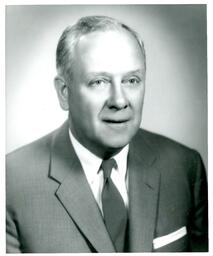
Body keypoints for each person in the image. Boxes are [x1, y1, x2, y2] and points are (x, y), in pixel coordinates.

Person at [6, 15, 208, 253]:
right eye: (99, 82)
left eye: (132, 80)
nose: (120, 101)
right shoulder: (9, 184)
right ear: (63, 93)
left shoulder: (185, 166)